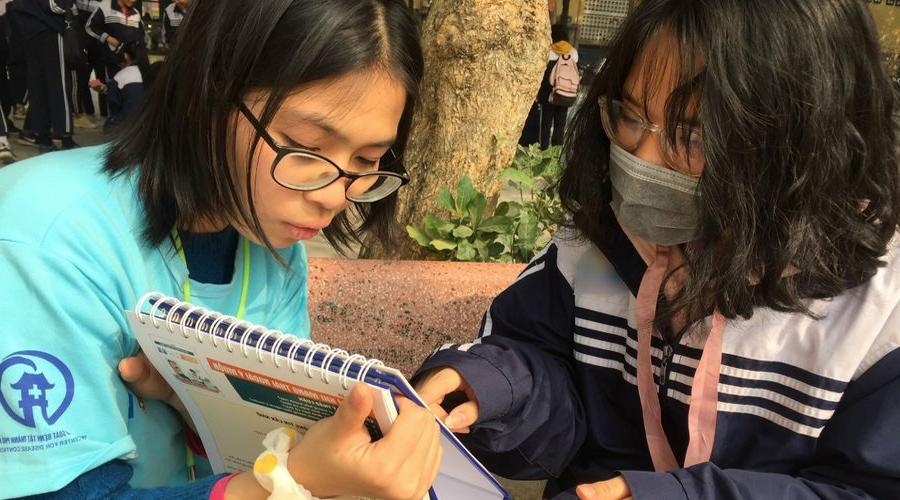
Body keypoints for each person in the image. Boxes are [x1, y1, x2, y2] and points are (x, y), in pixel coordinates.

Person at [415, 1, 899, 499]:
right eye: (629, 115)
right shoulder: (593, 252)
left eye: (694, 134)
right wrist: (497, 388)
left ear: (806, 145)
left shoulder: (880, 318)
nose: (640, 160)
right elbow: (542, 361)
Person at [0, 1, 441, 498]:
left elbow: (274, 431)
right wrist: (290, 482)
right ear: (205, 94)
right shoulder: (44, 240)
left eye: (367, 159)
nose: (332, 195)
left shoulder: (267, 240)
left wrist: (193, 402)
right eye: (305, 147)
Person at [16, 0, 76, 151]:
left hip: (31, 33)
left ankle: (43, 138)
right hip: (50, 29)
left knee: (38, 87)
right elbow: (56, 5)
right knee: (59, 85)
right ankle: (66, 136)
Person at [89, 41, 149, 131]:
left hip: (130, 125)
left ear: (126, 56)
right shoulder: (151, 72)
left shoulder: (121, 75)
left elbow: (115, 103)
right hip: (150, 122)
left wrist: (104, 89)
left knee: (108, 126)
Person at [539, 28, 578, 149]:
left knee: (545, 124)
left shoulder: (548, 51)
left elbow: (543, 75)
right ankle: (556, 151)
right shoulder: (573, 52)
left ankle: (543, 150)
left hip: (548, 94)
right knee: (560, 124)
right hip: (566, 94)